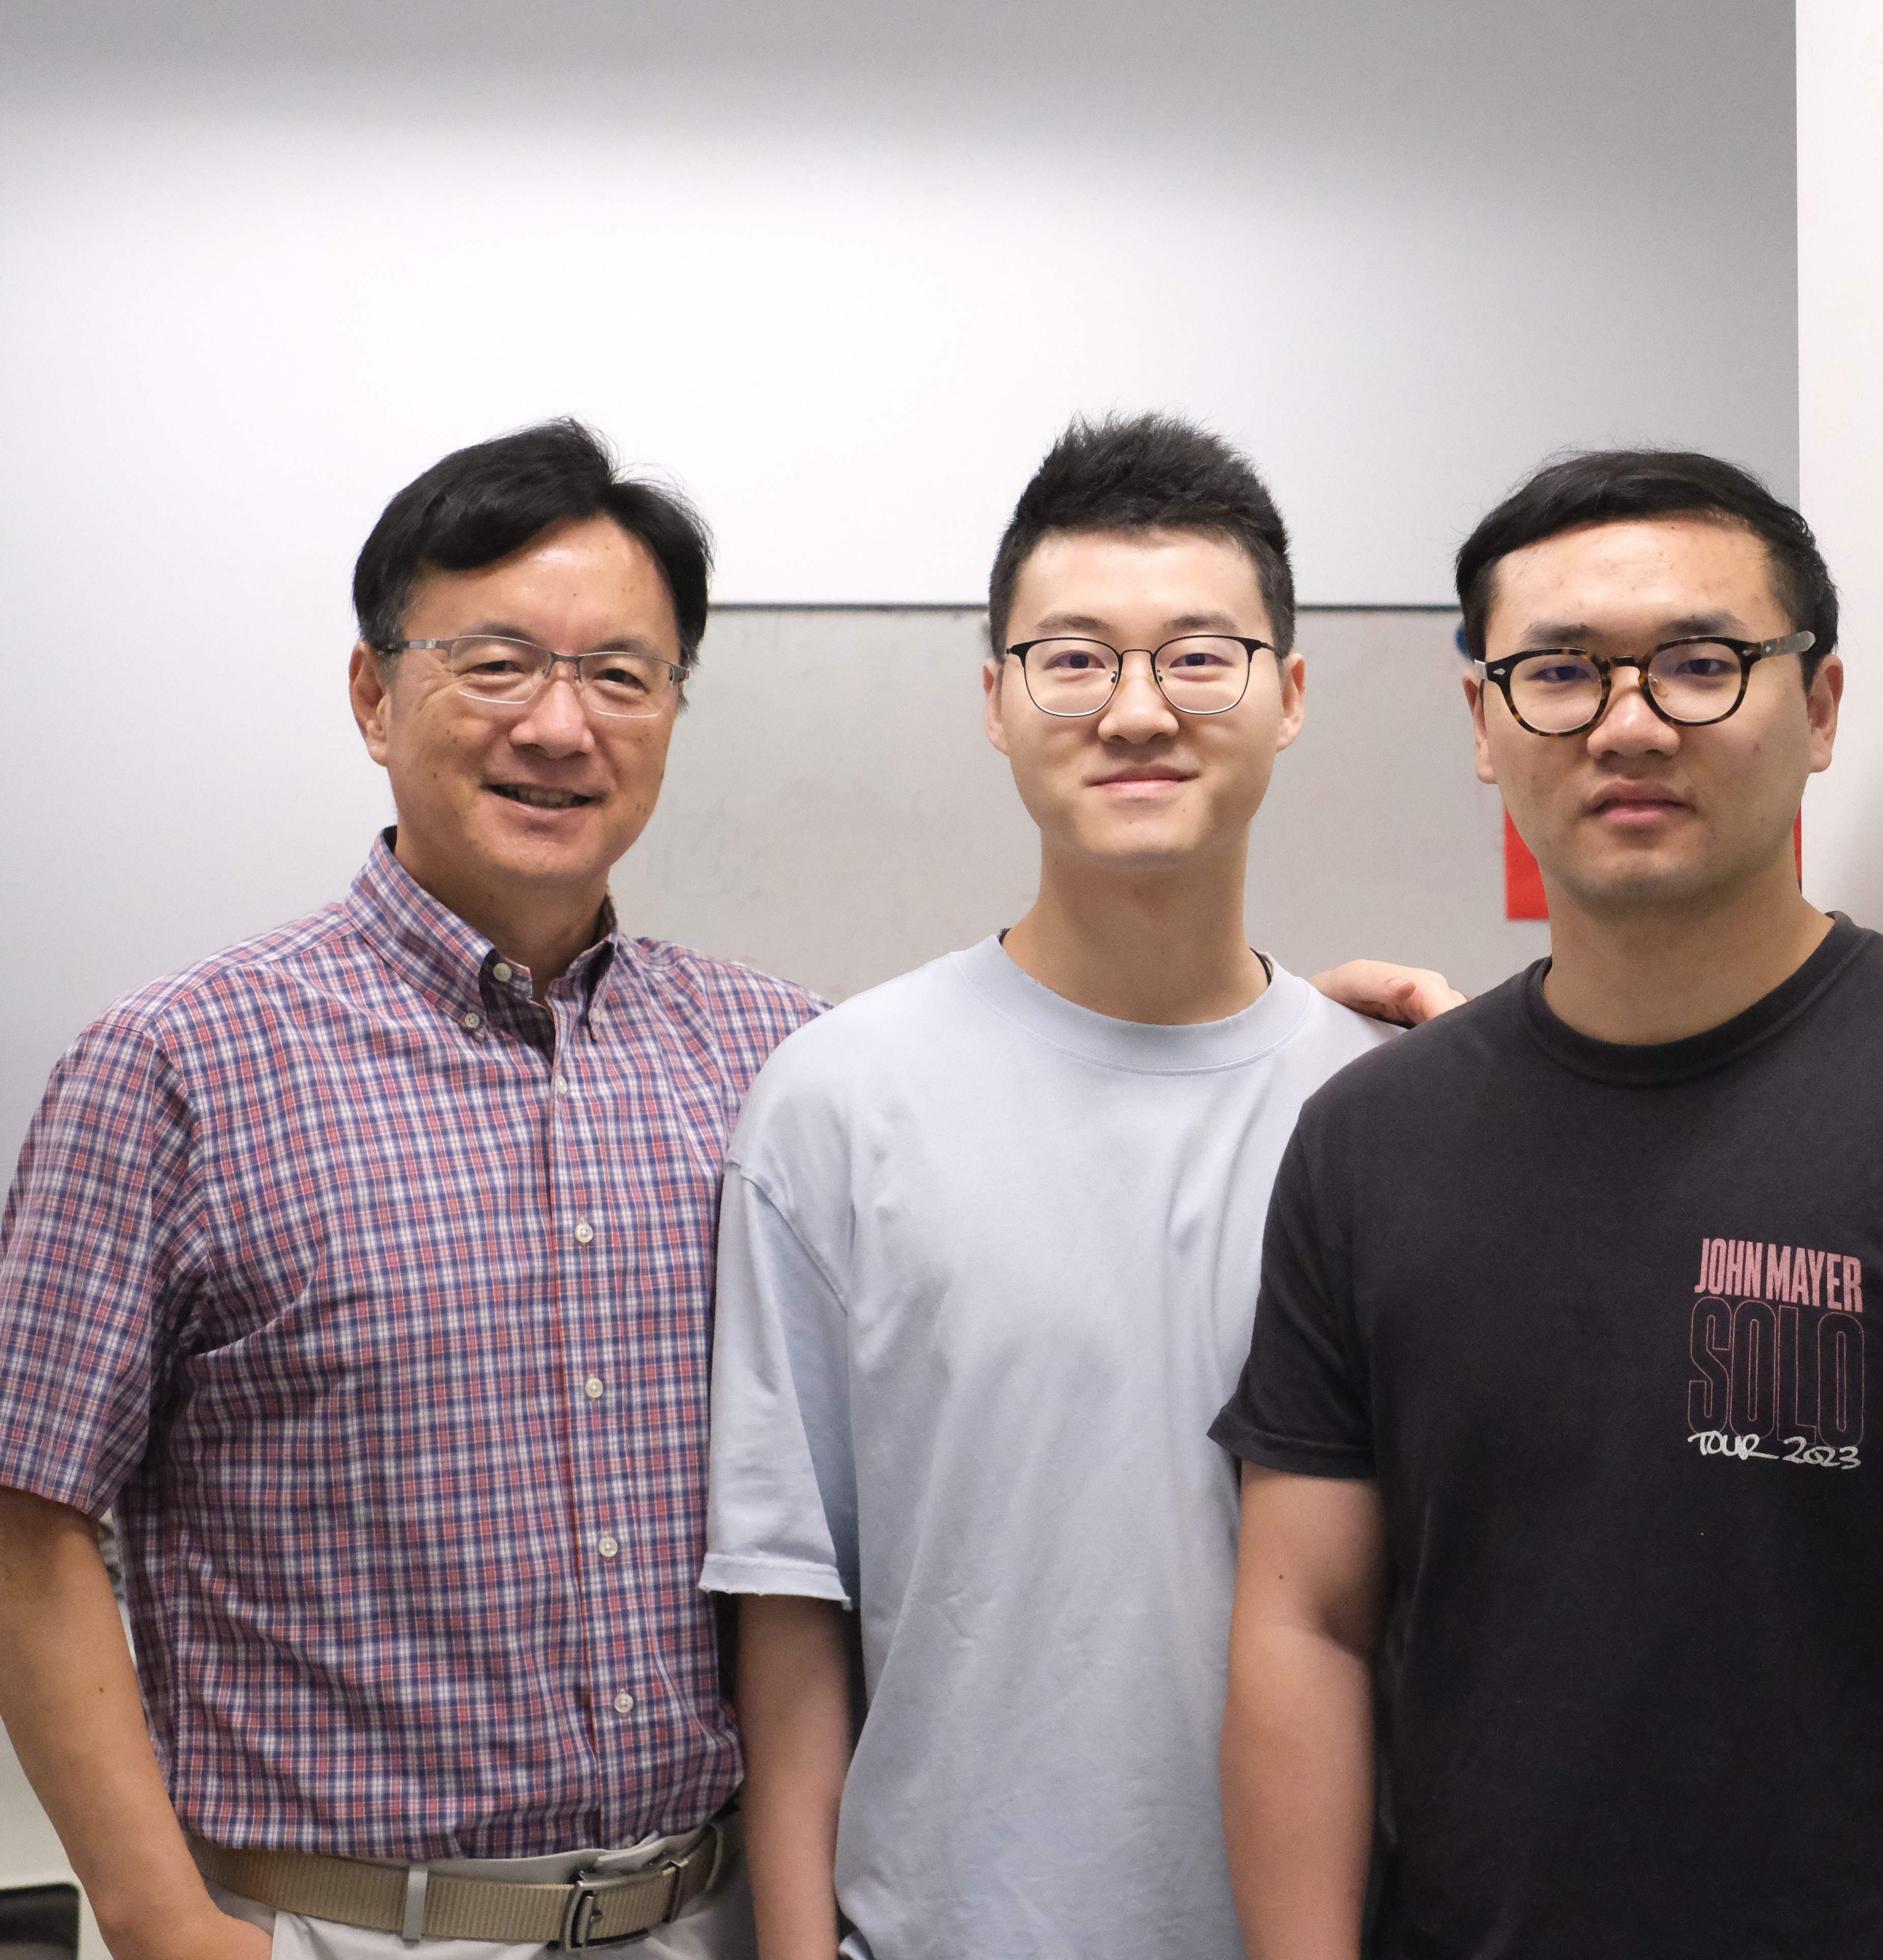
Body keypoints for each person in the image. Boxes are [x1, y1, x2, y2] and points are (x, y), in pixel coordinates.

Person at [0, 419, 1440, 1960]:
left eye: (621, 675)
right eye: (496, 664)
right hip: (339, 1927)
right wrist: (161, 1925)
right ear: (373, 691)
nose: (561, 726)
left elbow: (1063, 1088)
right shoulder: (180, 1065)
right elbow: (26, 1520)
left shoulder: (769, 1052)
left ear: (674, 710)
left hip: (708, 1910)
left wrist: (1380, 1049)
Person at [1213, 450, 1883, 1959]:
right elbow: (1303, 1623)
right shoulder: (1369, 1142)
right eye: (1558, 673)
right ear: (1484, 721)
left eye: (1699, 665)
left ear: (1823, 706)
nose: (1629, 723)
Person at [706, 414, 1438, 1960]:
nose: (1136, 711)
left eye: (1198, 657)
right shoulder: (839, 1101)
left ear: (1290, 696)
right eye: (1074, 658)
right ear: (994, 699)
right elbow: (789, 1609)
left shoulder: (1393, 1112)